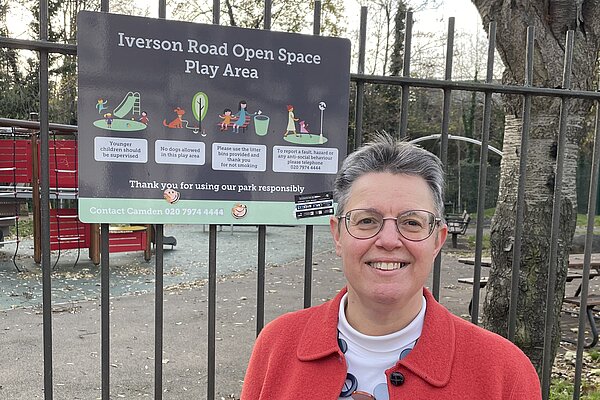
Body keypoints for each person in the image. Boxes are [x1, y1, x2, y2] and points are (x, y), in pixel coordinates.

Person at [241, 134, 541, 399]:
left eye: (411, 222)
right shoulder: (278, 344)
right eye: (367, 220)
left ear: (437, 240)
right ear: (338, 235)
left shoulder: (504, 372)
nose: (388, 240)